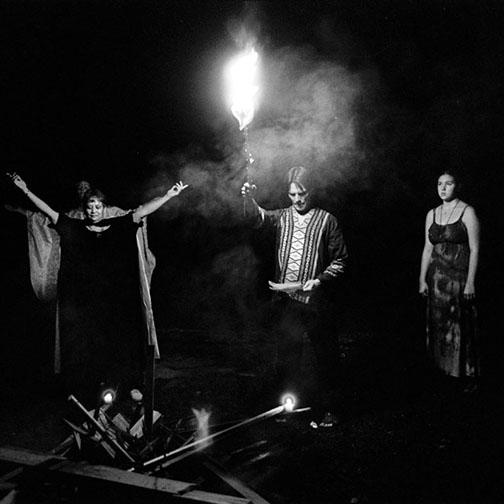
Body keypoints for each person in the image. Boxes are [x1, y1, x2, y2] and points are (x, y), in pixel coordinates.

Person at [7, 172, 188, 403]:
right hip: (85, 301)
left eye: (97, 206)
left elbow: (143, 211)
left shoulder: (119, 223)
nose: (93, 210)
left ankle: (129, 385)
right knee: (85, 344)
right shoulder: (72, 226)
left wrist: (169, 195)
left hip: (115, 300)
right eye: (90, 206)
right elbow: (47, 211)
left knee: (121, 341)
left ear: (104, 207)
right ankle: (84, 389)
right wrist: (24, 190)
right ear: (85, 209)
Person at [241, 166, 348, 426]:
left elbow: (340, 260)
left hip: (317, 304)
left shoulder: (327, 220)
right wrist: (248, 198)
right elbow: (258, 218)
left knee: (326, 358)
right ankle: (288, 408)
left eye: (302, 194)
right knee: (288, 357)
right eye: (292, 195)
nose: (298, 200)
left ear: (312, 191)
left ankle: (330, 409)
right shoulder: (283, 216)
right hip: (288, 303)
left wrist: (319, 281)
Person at [419, 170, 480, 389]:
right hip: (436, 280)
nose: (443, 188)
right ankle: (442, 370)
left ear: (457, 186)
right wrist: (422, 280)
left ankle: (465, 374)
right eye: (439, 184)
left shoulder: (467, 212)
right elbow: (427, 249)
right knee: (438, 325)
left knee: (459, 325)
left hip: (458, 278)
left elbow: (475, 249)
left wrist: (471, 281)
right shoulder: (432, 213)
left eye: (449, 184)